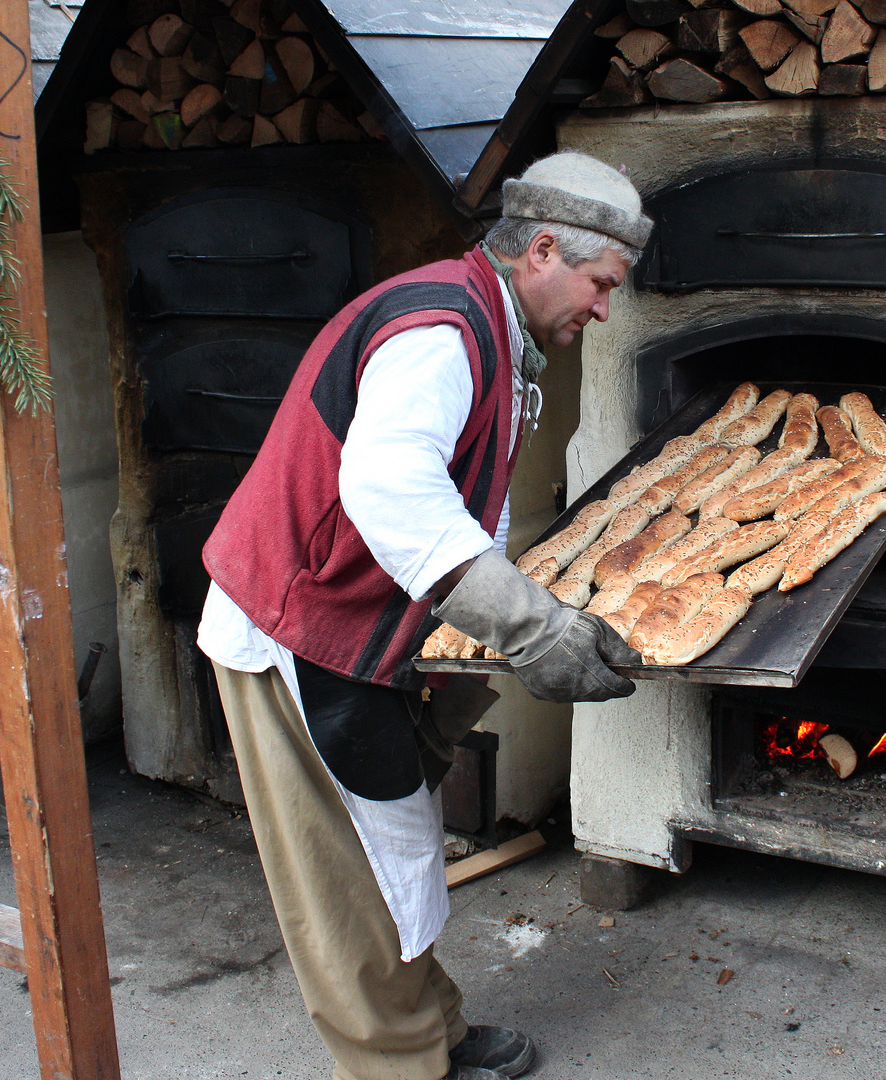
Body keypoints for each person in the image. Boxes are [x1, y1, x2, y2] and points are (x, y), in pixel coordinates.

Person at [198, 152, 653, 1080]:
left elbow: (460, 508)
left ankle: (429, 1029)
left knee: (393, 841)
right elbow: (392, 491)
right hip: (295, 622)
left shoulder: (493, 324)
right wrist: (531, 627)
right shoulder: (442, 329)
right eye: (601, 284)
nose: (603, 309)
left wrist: (470, 657)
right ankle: (401, 1067)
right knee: (344, 879)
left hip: (361, 619)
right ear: (542, 250)